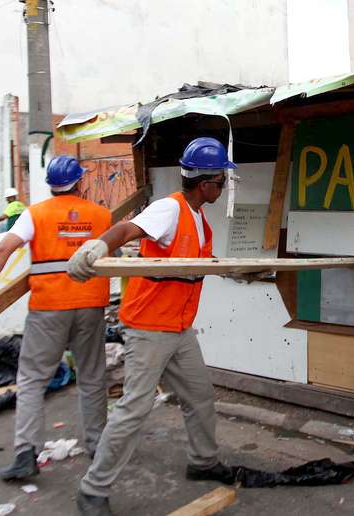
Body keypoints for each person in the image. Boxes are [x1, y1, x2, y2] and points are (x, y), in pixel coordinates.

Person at [68, 137, 235, 516]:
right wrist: (96, 248)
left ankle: (203, 462)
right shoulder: (169, 210)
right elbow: (126, 231)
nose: (223, 186)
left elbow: (191, 270)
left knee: (199, 395)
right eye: (221, 180)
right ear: (207, 183)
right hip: (149, 327)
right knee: (134, 409)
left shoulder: (198, 219)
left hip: (178, 328)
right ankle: (93, 490)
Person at [0, 156, 111, 481]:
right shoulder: (101, 215)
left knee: (32, 379)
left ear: (50, 184)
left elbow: (3, 250)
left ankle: (26, 454)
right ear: (80, 182)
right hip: (90, 305)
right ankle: (98, 446)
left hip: (49, 309)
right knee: (91, 377)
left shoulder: (36, 214)